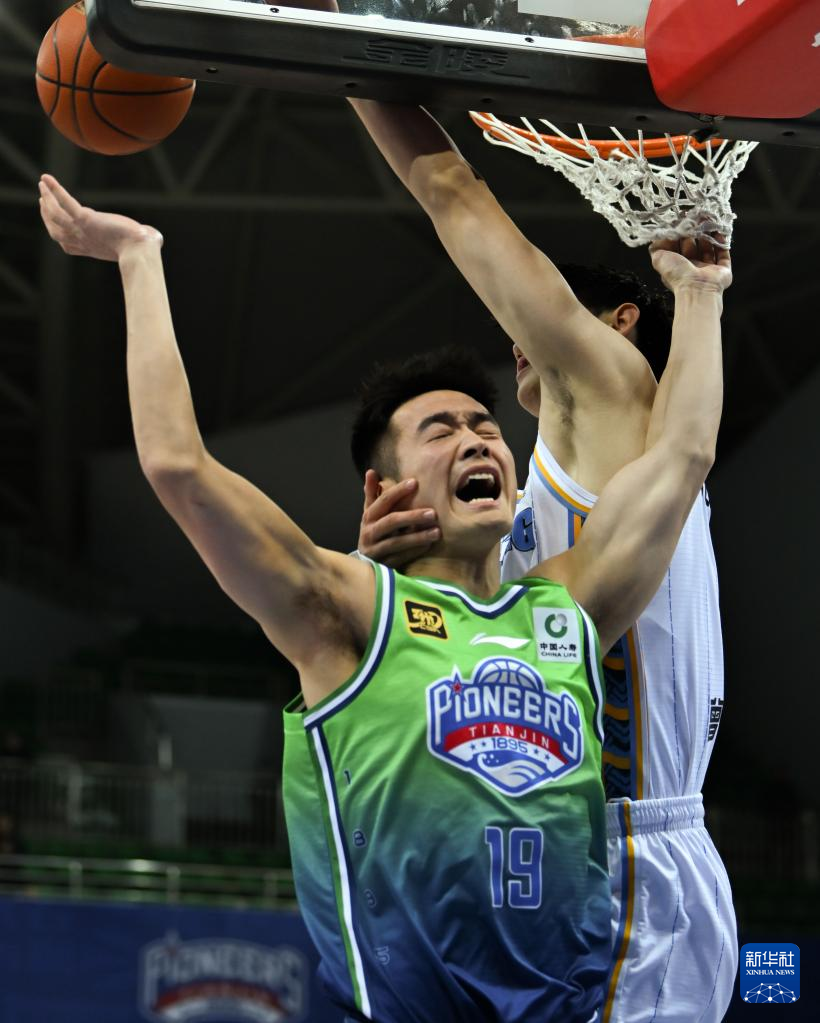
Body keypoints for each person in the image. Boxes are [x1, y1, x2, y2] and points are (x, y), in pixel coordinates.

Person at [38, 172, 728, 1023]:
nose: (478, 438)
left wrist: (700, 293)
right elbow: (178, 465)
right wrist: (139, 259)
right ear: (387, 488)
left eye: (486, 427)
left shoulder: (563, 605)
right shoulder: (348, 610)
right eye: (443, 430)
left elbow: (683, 453)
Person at [349, 102, 738, 1021]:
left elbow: (454, 194)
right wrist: (388, 573)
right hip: (560, 848)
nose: (523, 324)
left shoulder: (607, 385)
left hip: (627, 855)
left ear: (618, 321)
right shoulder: (517, 511)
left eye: (560, 303)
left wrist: (357, 72)